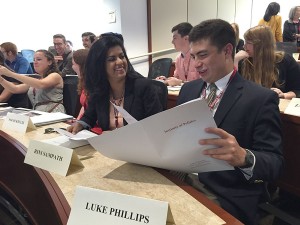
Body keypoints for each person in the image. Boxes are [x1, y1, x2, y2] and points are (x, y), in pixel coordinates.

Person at [177, 19, 283, 225]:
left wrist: (244, 157)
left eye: (203, 55)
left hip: (223, 193)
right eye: (193, 56)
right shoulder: (188, 90)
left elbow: (275, 164)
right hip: (180, 179)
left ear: (227, 51)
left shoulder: (259, 99)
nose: (196, 63)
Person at [67, 36, 163, 133]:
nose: (120, 62)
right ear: (99, 64)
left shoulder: (143, 87)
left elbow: (156, 127)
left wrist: (118, 137)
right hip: (109, 146)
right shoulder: (99, 90)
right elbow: (89, 116)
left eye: (122, 56)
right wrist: (80, 124)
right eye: (112, 59)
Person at [235, 25, 300, 99]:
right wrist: (235, 60)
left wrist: (284, 95)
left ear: (261, 44)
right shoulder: (243, 60)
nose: (244, 46)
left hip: (276, 107)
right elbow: (231, 88)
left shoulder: (284, 60)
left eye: (248, 43)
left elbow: (297, 90)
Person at [0, 50, 65, 113]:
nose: (35, 62)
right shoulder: (37, 80)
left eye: (39, 59)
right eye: (34, 60)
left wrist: (11, 74)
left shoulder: (55, 76)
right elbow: (14, 89)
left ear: (50, 62)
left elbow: (41, 85)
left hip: (54, 113)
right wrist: (1, 79)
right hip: (38, 113)